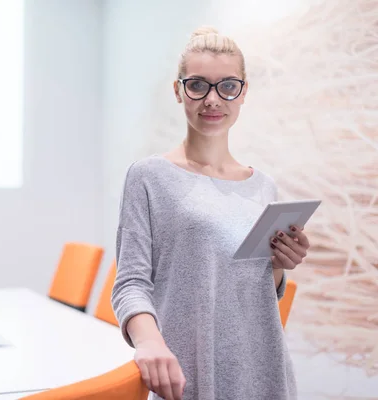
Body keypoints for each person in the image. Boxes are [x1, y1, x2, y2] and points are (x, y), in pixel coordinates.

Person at [111, 26, 308, 400]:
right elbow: (130, 283)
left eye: (228, 87)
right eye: (198, 85)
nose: (213, 99)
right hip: (185, 370)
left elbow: (256, 289)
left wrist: (280, 265)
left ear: (243, 92)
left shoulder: (263, 186)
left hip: (263, 369)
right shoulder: (149, 177)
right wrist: (149, 342)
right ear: (178, 90)